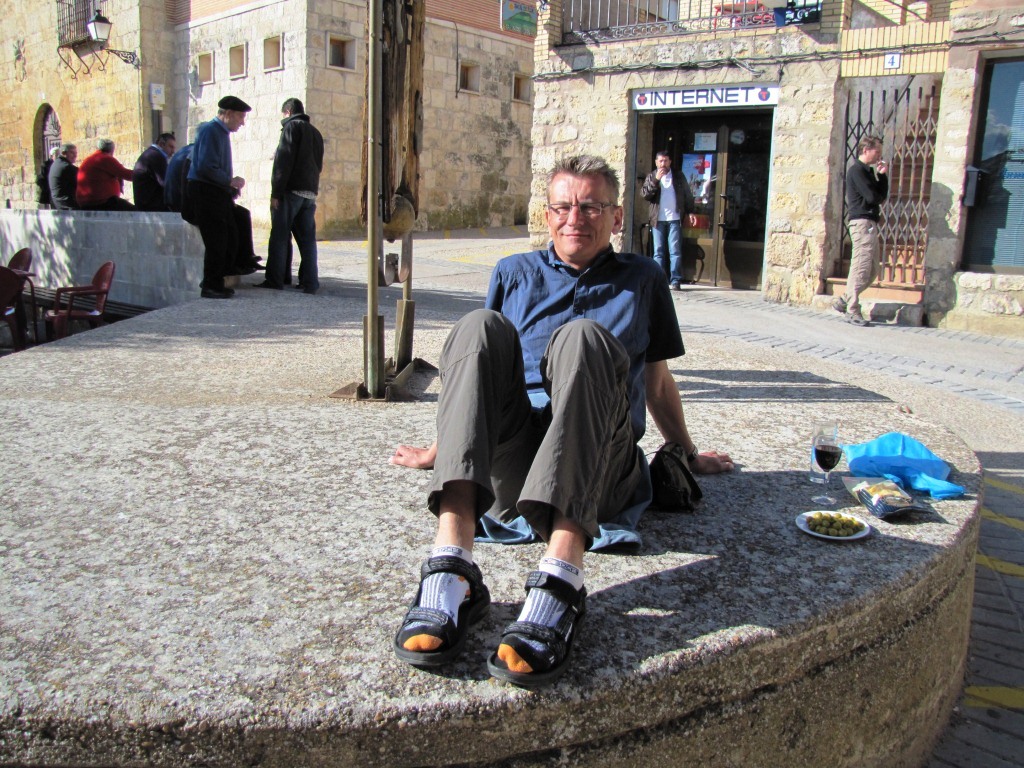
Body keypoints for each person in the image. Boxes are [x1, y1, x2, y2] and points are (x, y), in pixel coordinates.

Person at [389, 155, 733, 688]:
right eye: (564, 206)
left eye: (592, 206)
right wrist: (441, 451)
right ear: (547, 215)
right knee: (477, 327)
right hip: (518, 459)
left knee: (583, 337)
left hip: (602, 464)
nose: (576, 218)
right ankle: (453, 565)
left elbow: (658, 382)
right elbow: (475, 376)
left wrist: (686, 452)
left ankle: (562, 576)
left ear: (615, 217)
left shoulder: (643, 279)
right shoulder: (512, 272)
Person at [188, 96, 252, 299]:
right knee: (216, 239)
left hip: (216, 191)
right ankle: (210, 285)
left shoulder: (219, 132)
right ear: (229, 114)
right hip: (206, 191)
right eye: (240, 117)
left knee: (228, 236)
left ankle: (215, 281)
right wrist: (229, 180)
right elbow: (206, 166)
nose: (242, 122)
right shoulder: (211, 131)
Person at [259, 98, 325, 294]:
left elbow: (283, 161)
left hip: (291, 191)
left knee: (279, 235)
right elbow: (318, 164)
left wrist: (276, 193)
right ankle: (309, 282)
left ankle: (275, 279)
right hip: (309, 192)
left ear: (287, 112)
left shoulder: (291, 127)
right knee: (307, 240)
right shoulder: (316, 133)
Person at [169, 141, 262, 278]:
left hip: (203, 201)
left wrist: (229, 189)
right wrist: (230, 186)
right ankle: (230, 266)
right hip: (194, 206)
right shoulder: (199, 157)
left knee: (242, 214)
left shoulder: (196, 153)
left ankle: (245, 258)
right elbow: (205, 187)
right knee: (229, 225)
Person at [834, 135, 889, 327]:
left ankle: (845, 299)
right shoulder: (857, 171)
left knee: (872, 269)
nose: (879, 155)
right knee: (860, 267)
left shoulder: (868, 172)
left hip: (870, 223)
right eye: (877, 151)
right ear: (866, 150)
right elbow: (872, 197)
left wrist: (882, 176)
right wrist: (877, 191)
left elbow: (880, 196)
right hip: (862, 224)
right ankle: (852, 310)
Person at [641, 150, 696, 290]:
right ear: (656, 162)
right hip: (657, 219)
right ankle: (659, 281)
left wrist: (690, 211)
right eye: (660, 161)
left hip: (674, 218)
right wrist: (655, 180)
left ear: (670, 162)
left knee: (675, 251)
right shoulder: (652, 176)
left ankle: (675, 280)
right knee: (658, 251)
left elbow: (687, 194)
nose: (663, 164)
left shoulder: (678, 176)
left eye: (665, 161)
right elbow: (645, 195)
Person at [75, 139, 135, 211]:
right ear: (112, 150)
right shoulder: (104, 158)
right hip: (100, 202)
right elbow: (126, 174)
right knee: (136, 213)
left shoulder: (90, 158)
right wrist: (144, 174)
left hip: (88, 201)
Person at [132, 133, 177, 211]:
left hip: (144, 204)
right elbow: (166, 183)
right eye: (171, 147)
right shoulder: (156, 156)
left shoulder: (149, 153)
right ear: (161, 144)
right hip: (152, 206)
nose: (173, 152)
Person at [48, 143, 79, 210]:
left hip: (58, 204)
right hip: (68, 205)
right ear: (64, 153)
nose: (75, 155)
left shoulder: (56, 163)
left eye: (76, 153)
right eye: (72, 153)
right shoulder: (66, 167)